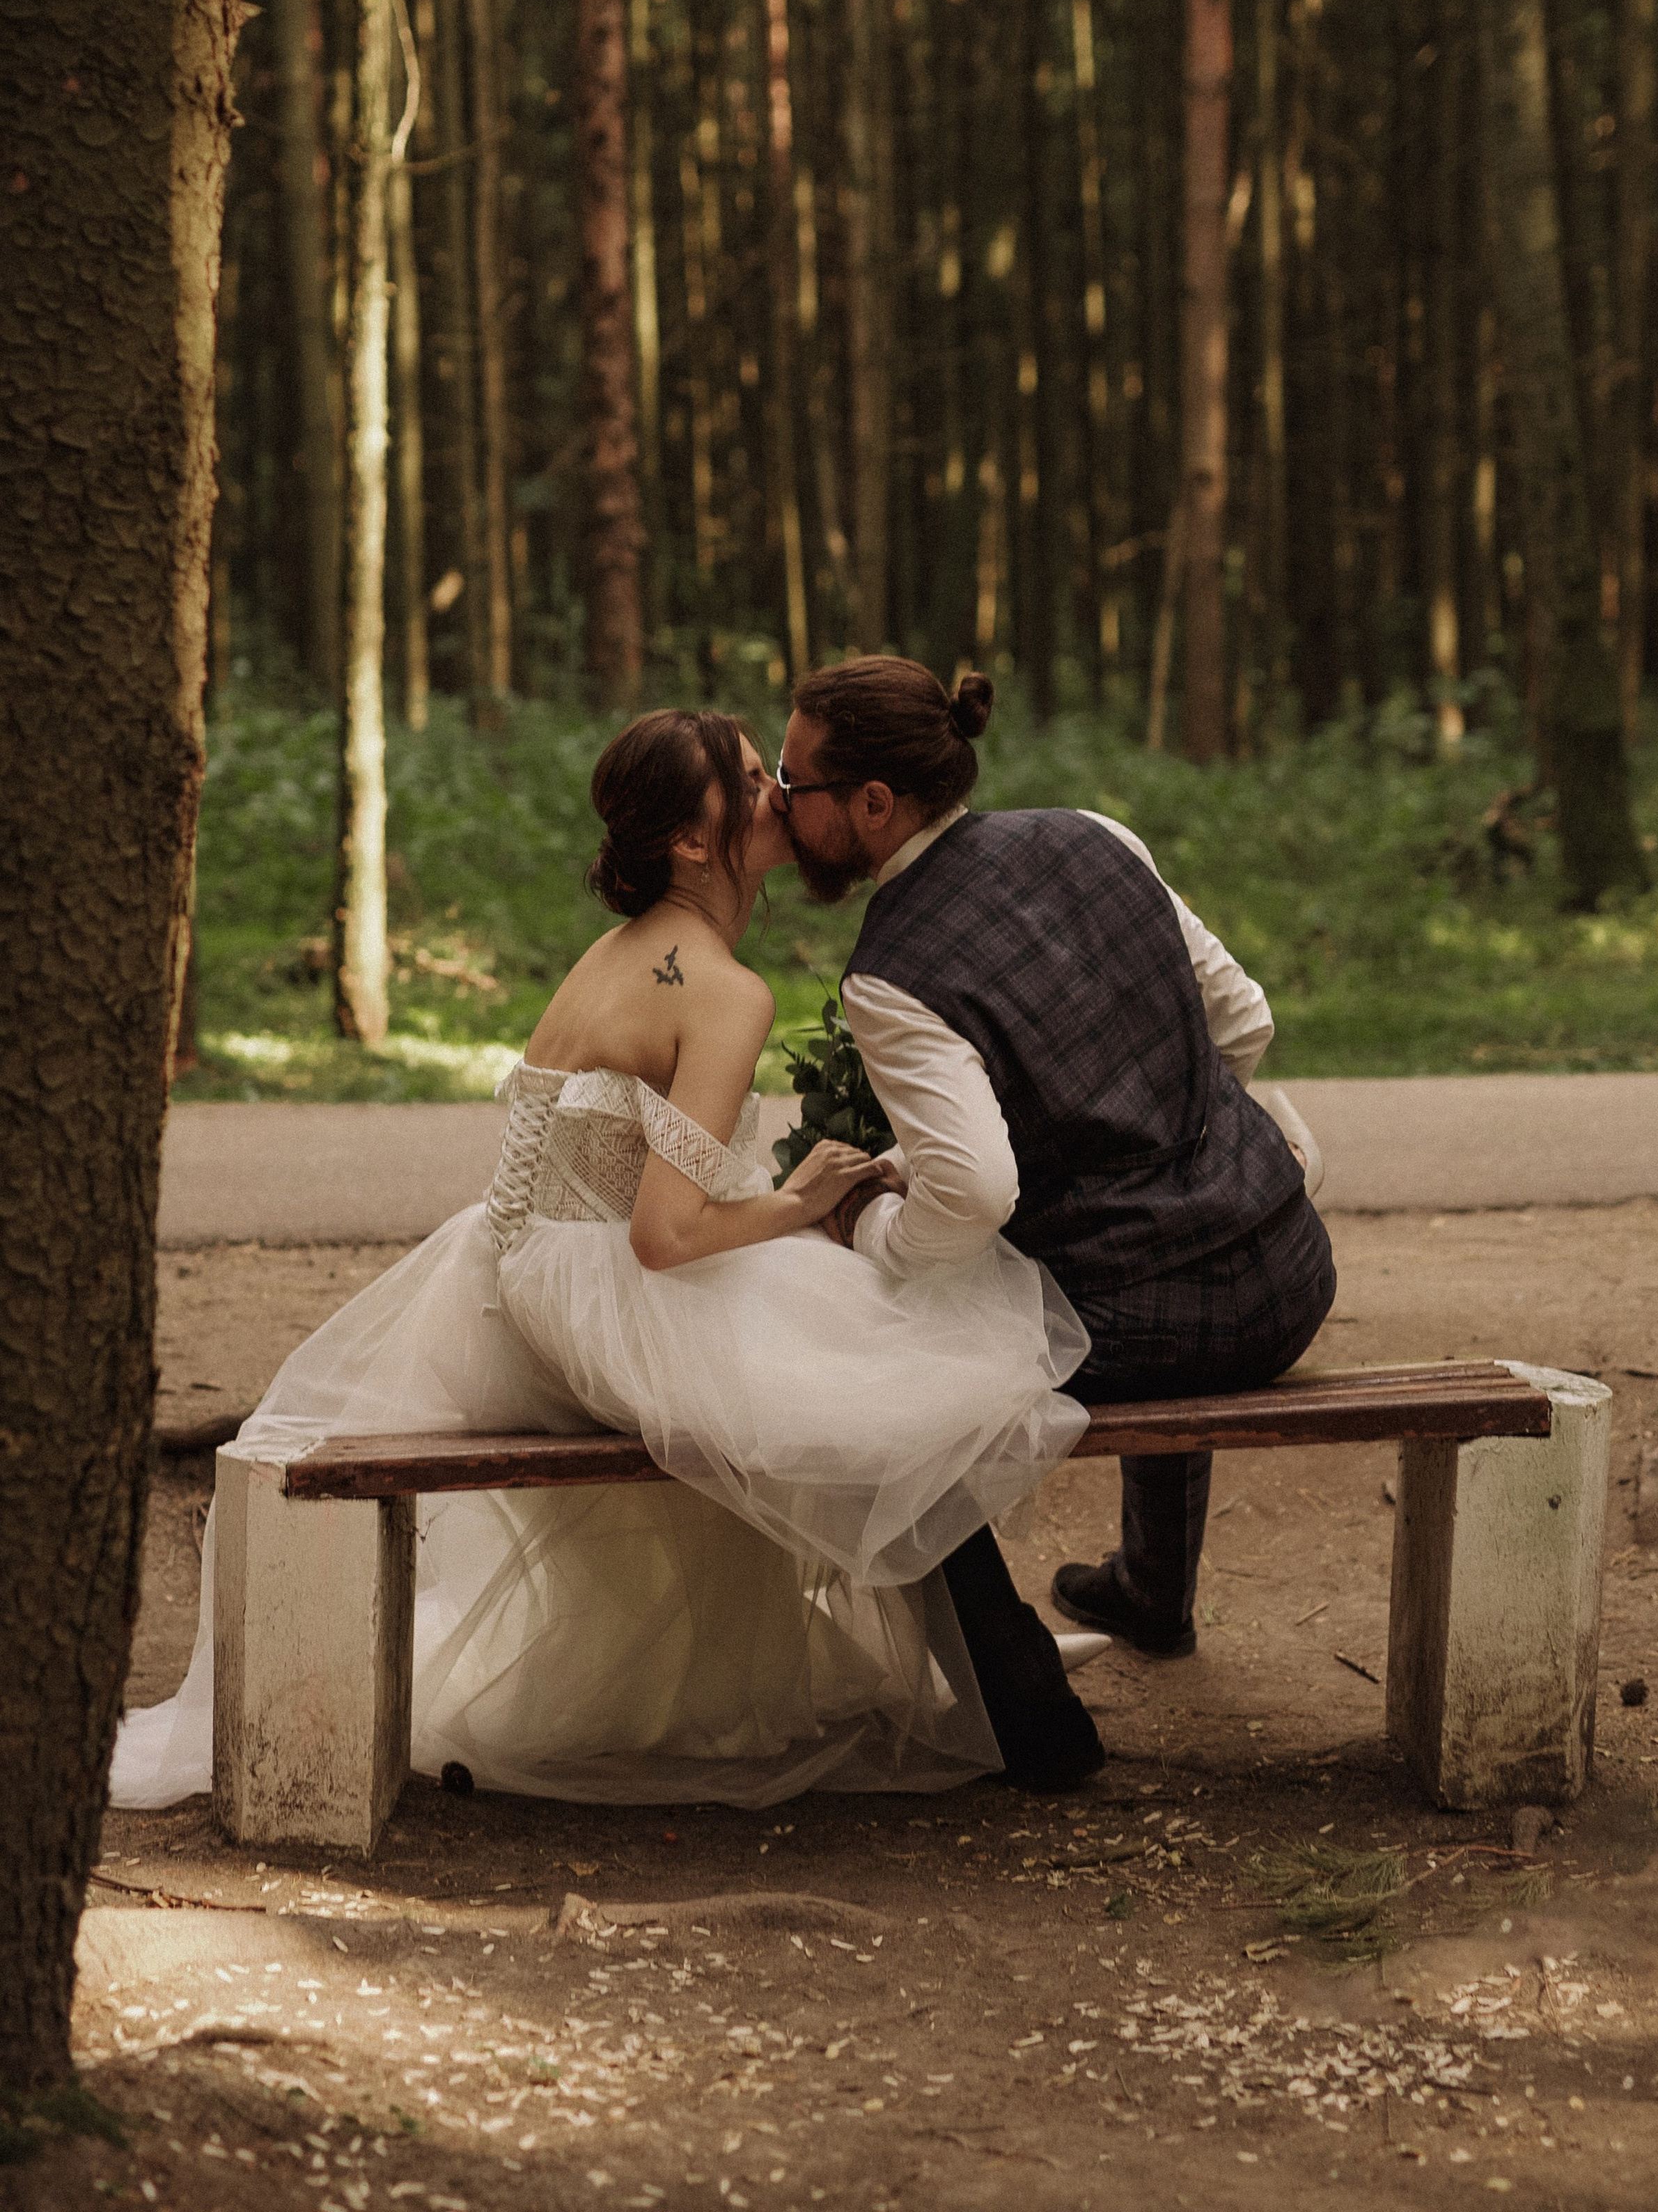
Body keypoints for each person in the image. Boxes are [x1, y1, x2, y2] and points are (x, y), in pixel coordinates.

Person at [111, 712, 1100, 1817]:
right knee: (915, 1377)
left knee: (879, 1355)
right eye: (747, 779)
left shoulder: (622, 953)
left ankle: (1002, 1672)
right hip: (608, 1293)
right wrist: (799, 1203)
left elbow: (625, 1179)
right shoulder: (722, 989)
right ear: (690, 842)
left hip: (517, 1270)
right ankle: (1014, 1697)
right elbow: (664, 1237)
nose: (777, 788)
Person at [775, 655, 1336, 1789]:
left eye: (795, 787)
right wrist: (1156, 1127)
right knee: (1127, 1254)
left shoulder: (892, 975)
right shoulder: (1093, 834)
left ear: (873, 806)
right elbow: (1244, 1019)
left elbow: (975, 1194)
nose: (781, 811)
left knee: (890, 1400)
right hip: (1292, 1262)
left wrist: (867, 1231)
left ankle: (1032, 1722)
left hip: (1174, 1329)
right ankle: (1151, 1590)